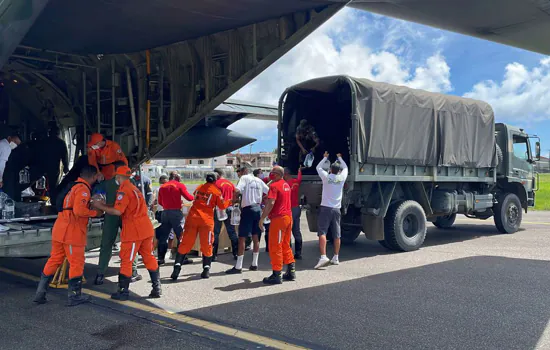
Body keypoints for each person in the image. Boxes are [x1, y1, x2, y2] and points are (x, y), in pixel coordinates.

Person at [33, 164, 102, 306]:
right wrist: (96, 213)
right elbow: (78, 211)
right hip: (72, 232)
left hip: (60, 228)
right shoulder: (83, 190)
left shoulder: (73, 186)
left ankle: (40, 293)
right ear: (93, 176)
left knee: (55, 259)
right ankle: (74, 296)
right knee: (76, 262)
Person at [92, 166, 161, 300]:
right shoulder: (134, 188)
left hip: (134, 231)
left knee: (126, 260)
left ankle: (123, 291)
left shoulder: (123, 191)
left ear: (118, 177)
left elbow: (118, 212)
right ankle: (156, 287)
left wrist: (100, 206)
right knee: (149, 257)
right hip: (145, 228)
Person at [171, 172, 230, 280]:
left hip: (192, 218)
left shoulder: (199, 187)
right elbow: (221, 206)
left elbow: (195, 196)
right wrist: (229, 201)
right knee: (207, 244)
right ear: (215, 180)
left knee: (185, 243)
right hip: (206, 221)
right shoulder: (216, 191)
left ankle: (177, 267)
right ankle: (206, 269)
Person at [93, 161, 141, 285]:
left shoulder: (107, 184)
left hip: (111, 215)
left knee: (106, 244)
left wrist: (98, 203)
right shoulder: (132, 183)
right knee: (130, 244)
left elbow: (96, 192)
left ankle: (100, 273)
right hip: (126, 216)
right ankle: (132, 271)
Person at [226, 165, 269, 274]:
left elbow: (237, 190)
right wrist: (262, 199)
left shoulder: (244, 178)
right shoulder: (259, 180)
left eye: (239, 171)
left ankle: (238, 266)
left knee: (242, 237)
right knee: (256, 237)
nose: (238, 174)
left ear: (244, 171)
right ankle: (254, 264)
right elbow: (269, 191)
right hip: (258, 208)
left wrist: (234, 200)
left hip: (248, 209)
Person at [259, 166, 295, 284]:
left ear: (278, 174)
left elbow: (271, 203)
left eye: (272, 173)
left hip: (279, 219)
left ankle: (276, 274)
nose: (270, 174)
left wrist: (262, 217)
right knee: (285, 244)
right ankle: (291, 270)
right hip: (288, 217)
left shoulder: (274, 186)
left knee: (275, 246)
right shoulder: (286, 185)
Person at [314, 152, 348, 269]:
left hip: (325, 208)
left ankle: (323, 257)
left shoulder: (326, 177)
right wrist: (339, 157)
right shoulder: (342, 178)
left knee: (322, 232)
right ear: (338, 171)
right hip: (336, 209)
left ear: (330, 169)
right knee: (337, 234)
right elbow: (346, 167)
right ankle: (336, 257)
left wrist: (324, 157)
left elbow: (318, 167)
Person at [156, 171, 194, 264]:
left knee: (163, 236)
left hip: (165, 213)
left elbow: (160, 202)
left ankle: (161, 258)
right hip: (176, 213)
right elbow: (189, 198)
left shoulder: (162, 187)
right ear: (177, 176)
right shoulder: (179, 185)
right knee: (181, 235)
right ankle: (182, 258)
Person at [213, 168, 238, 261]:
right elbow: (236, 192)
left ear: (217, 174)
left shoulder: (216, 183)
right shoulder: (229, 183)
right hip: (229, 207)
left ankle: (213, 255)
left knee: (215, 232)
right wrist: (233, 200)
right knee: (232, 231)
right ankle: (236, 253)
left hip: (219, 208)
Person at [42, 123, 69, 204]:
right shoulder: (61, 143)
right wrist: (65, 168)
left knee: (40, 184)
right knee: (52, 186)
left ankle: (42, 198)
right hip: (54, 167)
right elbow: (64, 157)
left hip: (42, 166)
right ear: (58, 133)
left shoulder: (44, 142)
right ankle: (53, 202)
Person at [284, 167, 303, 259]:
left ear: (286, 174)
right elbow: (300, 179)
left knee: (287, 232)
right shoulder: (296, 182)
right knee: (296, 231)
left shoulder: (285, 184)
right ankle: (298, 253)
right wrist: (299, 171)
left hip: (288, 209)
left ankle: (288, 253)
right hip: (296, 208)